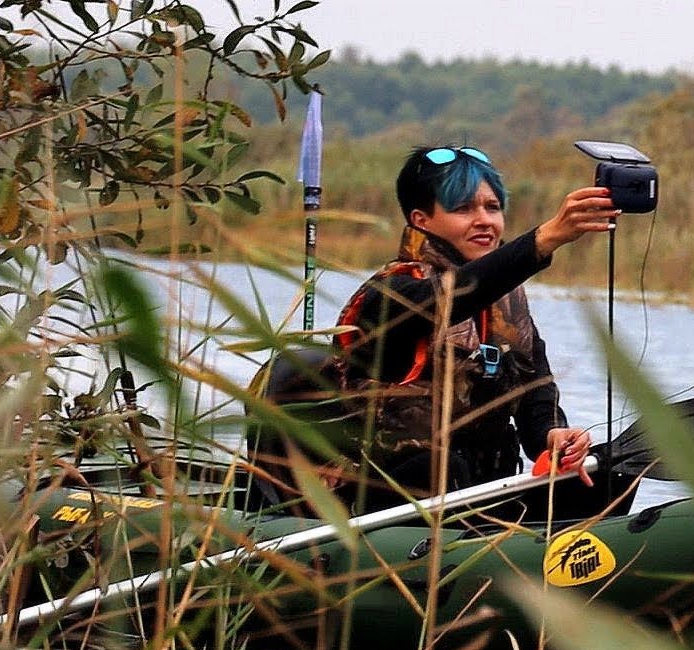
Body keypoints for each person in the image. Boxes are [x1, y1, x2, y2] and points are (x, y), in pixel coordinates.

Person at [249, 145, 619, 520]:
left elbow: (534, 390)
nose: (484, 220)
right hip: (381, 502)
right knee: (438, 467)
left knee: (601, 471)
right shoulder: (391, 294)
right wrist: (545, 239)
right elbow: (451, 297)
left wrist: (552, 435)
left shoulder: (507, 301)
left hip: (479, 494)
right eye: (463, 209)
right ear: (421, 219)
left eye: (492, 207)